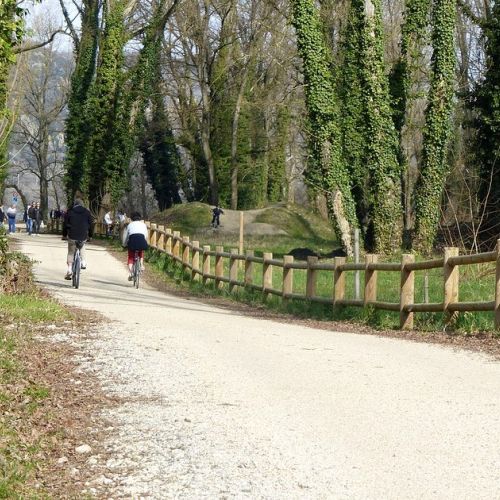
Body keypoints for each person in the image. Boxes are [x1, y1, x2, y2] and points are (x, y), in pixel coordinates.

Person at [62, 198, 93, 280]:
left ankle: (69, 269)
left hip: (72, 234)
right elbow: (91, 225)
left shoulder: (70, 212)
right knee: (82, 245)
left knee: (71, 252)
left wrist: (64, 235)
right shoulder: (87, 212)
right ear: (82, 204)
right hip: (83, 235)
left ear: (74, 204)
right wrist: (90, 235)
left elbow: (65, 224)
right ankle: (83, 262)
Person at [122, 211, 149, 281]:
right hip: (142, 241)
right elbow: (146, 236)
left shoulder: (130, 225)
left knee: (131, 257)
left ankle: (131, 273)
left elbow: (126, 236)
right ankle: (142, 265)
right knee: (141, 251)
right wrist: (145, 242)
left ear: (131, 218)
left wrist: (124, 244)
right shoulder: (143, 225)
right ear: (140, 218)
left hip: (132, 242)